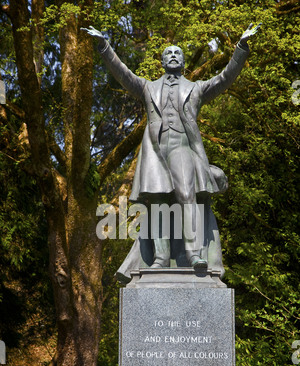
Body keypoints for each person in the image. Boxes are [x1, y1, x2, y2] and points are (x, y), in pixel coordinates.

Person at [82, 23, 261, 282]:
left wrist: (241, 47)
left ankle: (193, 255)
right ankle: (160, 259)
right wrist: (103, 46)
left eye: (178, 52)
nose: (174, 55)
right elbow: (122, 73)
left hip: (182, 148)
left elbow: (225, 78)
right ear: (162, 61)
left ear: (184, 61)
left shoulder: (196, 88)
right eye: (169, 53)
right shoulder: (147, 87)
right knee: (157, 205)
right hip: (155, 151)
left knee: (187, 196)